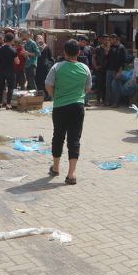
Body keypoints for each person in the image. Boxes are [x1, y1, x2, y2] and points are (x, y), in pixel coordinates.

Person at [45, 39, 91, 185]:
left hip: (60, 107)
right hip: (78, 107)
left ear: (64, 52)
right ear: (79, 52)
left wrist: (55, 96)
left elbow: (48, 84)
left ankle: (56, 167)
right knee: (74, 139)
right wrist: (78, 95)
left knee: (58, 136)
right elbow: (87, 87)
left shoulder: (57, 67)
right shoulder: (85, 68)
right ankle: (71, 174)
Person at [0, 33, 19, 107]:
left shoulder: (0, 49)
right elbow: (17, 62)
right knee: (10, 87)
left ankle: (0, 102)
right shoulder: (13, 50)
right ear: (11, 40)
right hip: (10, 71)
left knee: (1, 87)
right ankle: (8, 104)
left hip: (1, 70)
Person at [105, 34, 128, 106]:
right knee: (108, 86)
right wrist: (108, 48)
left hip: (116, 70)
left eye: (111, 39)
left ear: (115, 39)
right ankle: (109, 102)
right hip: (109, 69)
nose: (110, 41)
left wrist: (120, 71)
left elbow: (123, 61)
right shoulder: (111, 47)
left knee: (115, 86)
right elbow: (106, 56)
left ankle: (116, 102)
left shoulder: (121, 48)